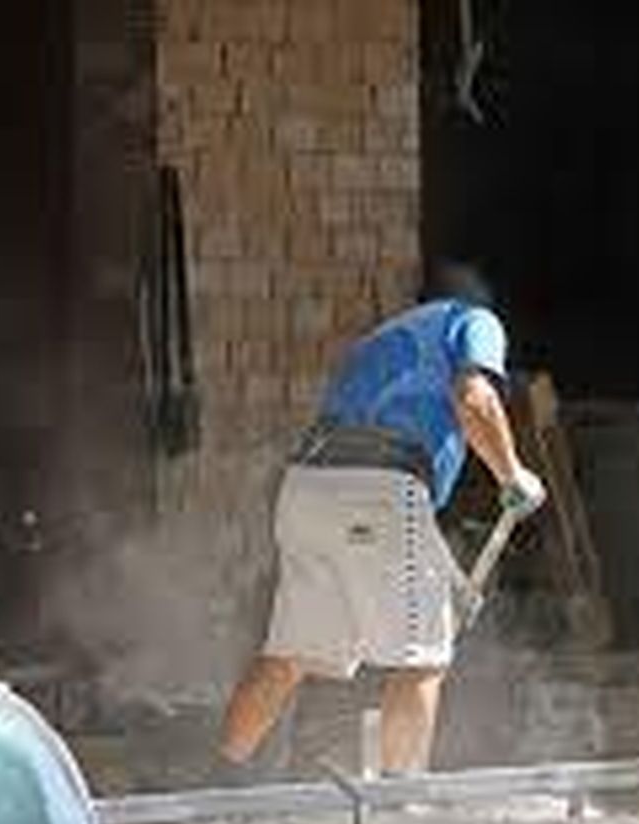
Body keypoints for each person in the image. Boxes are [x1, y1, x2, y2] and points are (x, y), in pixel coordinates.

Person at [217, 261, 547, 776]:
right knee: (423, 657)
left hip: (308, 491)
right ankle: (400, 800)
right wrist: (512, 474)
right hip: (378, 489)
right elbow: (473, 398)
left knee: (289, 655)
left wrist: (450, 578)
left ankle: (221, 780)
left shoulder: (383, 343)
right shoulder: (471, 320)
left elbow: (393, 526)